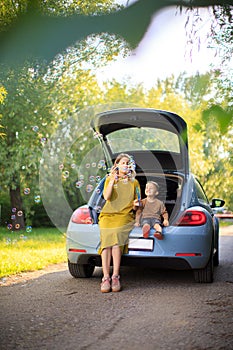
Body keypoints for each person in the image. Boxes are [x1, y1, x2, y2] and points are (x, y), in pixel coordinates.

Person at [98, 153, 140, 293]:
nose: (126, 165)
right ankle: (105, 277)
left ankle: (115, 276)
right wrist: (112, 181)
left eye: (128, 163)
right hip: (107, 215)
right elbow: (107, 197)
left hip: (124, 215)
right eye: (123, 162)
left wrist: (136, 205)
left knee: (115, 237)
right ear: (117, 165)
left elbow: (138, 204)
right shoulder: (110, 179)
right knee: (106, 240)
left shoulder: (134, 182)